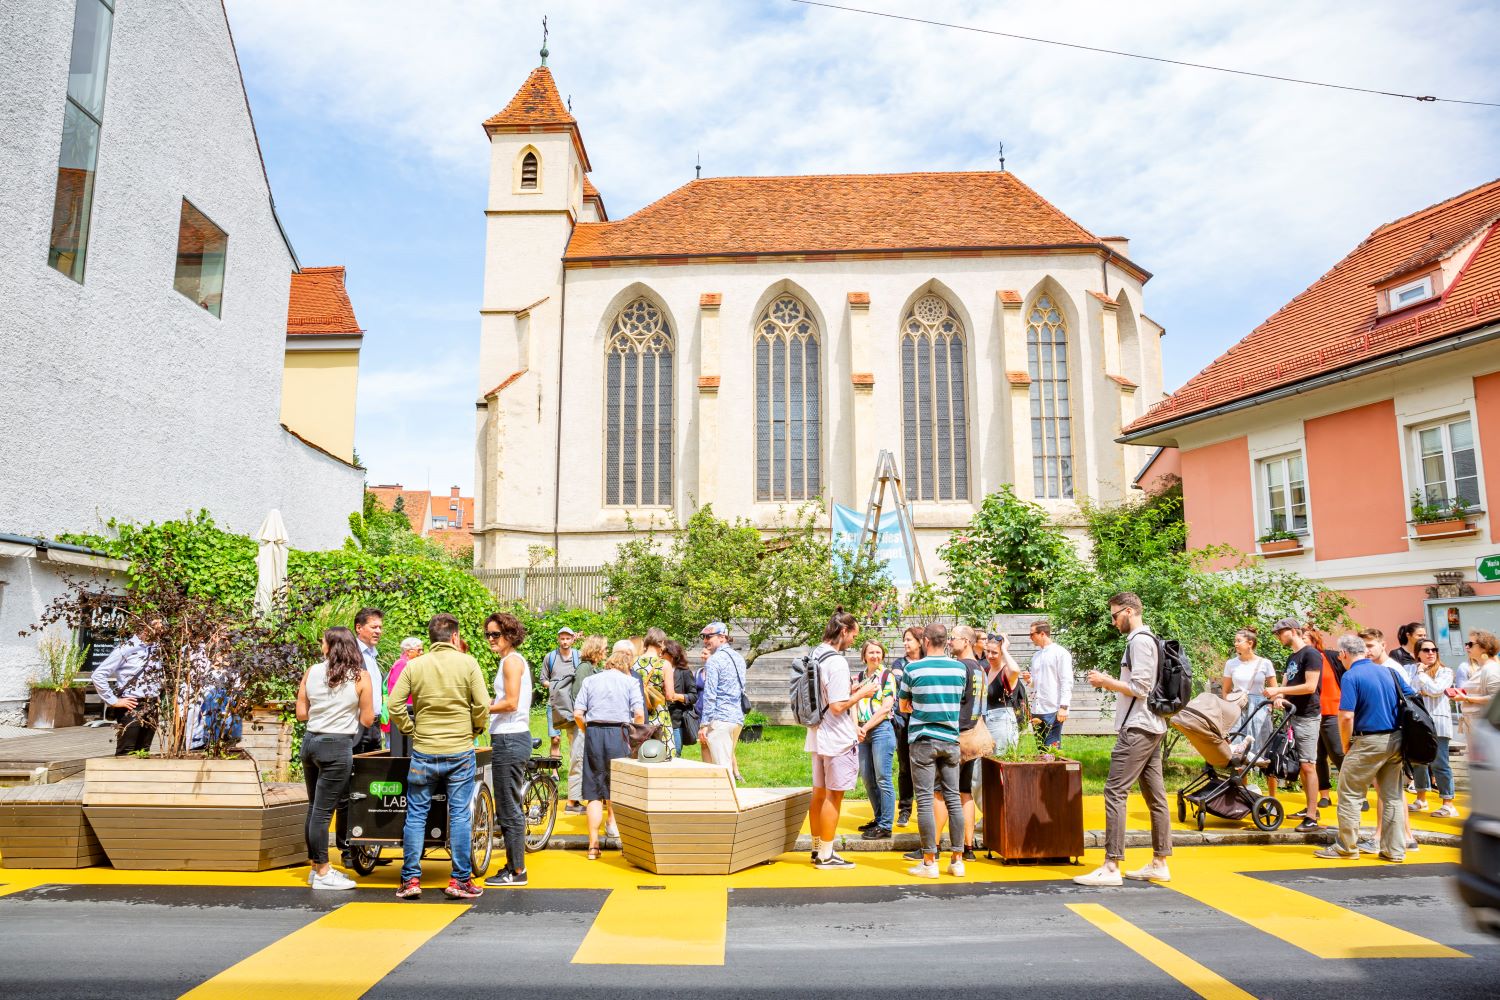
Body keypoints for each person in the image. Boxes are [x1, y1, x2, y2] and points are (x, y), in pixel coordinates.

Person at [388, 613, 490, 900]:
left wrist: (411, 729)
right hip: (459, 750)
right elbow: (481, 704)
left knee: (416, 814)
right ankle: (459, 880)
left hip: (424, 750)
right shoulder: (468, 663)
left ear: (430, 638)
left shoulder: (414, 665)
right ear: (455, 637)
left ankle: (410, 880)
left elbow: (395, 705)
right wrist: (475, 728)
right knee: (459, 815)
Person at [1075, 592, 1171, 888]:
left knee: (1114, 791)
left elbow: (1141, 687)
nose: (1113, 621)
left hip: (1138, 727)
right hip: (1152, 726)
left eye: (1115, 615)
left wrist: (1105, 681)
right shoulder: (1149, 639)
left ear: (1129, 611)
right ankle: (1159, 863)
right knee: (1156, 797)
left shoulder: (1140, 641)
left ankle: (1111, 864)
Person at [1314, 634, 1415, 862]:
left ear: (1344, 654)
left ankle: (1346, 846)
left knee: (1349, 793)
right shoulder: (1388, 672)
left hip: (1367, 740)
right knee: (1392, 796)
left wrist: (1346, 743)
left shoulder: (1352, 676)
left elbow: (1347, 715)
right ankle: (1394, 850)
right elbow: (1411, 697)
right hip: (1395, 739)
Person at [294, 626, 374, 891]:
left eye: (323, 642)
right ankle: (325, 872)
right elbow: (367, 719)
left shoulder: (312, 671)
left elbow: (302, 713)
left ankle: (315, 868)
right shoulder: (360, 676)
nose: (320, 646)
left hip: (311, 742)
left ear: (330, 647)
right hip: (337, 746)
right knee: (323, 811)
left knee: (314, 807)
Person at [804, 610, 875, 870]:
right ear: (843, 631)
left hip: (816, 733)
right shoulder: (837, 661)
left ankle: (815, 847)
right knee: (834, 796)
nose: (854, 641)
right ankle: (826, 854)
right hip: (836, 737)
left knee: (818, 793)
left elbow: (822, 694)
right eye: (853, 635)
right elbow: (836, 706)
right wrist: (862, 693)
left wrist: (850, 690)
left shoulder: (815, 654)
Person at [899, 623, 967, 879]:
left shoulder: (913, 668)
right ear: (946, 641)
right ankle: (957, 860)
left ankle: (929, 862)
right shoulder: (959, 668)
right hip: (951, 739)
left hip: (923, 739)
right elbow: (958, 699)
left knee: (926, 800)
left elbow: (904, 704)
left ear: (926, 641)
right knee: (953, 799)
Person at [574, 640, 645, 859]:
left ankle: (593, 846)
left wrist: (587, 731)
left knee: (594, 791)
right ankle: (625, 844)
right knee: (620, 788)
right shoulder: (630, 682)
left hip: (594, 732)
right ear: (626, 665)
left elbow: (578, 713)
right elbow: (639, 714)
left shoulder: (590, 680)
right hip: (620, 733)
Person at [483, 612, 532, 888]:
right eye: (488, 634)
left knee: (508, 807)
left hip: (510, 738)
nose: (491, 639)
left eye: (496, 634)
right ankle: (514, 865)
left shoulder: (511, 662)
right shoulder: (510, 661)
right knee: (507, 805)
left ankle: (517, 870)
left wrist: (480, 708)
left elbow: (511, 703)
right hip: (510, 737)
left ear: (510, 635)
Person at [1265, 618, 1324, 834]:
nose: (1278, 637)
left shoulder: (1311, 654)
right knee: (1299, 763)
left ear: (1293, 631)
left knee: (1308, 764)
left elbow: (1310, 687)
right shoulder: (1292, 657)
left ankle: (1312, 815)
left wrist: (1280, 692)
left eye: (1280, 632)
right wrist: (1279, 694)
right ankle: (1310, 809)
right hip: (1293, 714)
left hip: (1308, 715)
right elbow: (1286, 684)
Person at [1221, 628, 1275, 792]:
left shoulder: (1265, 663)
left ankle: (1272, 797)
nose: (1235, 644)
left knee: (1265, 750)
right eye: (1235, 640)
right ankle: (1243, 795)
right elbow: (1225, 690)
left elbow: (1274, 689)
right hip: (1238, 708)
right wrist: (1229, 708)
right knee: (1238, 751)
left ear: (1250, 643)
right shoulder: (1231, 664)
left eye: (1239, 641)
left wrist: (1270, 706)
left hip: (1259, 709)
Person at [1410, 638, 1457, 818]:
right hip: (1418, 724)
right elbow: (1410, 691)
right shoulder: (1410, 670)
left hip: (1438, 723)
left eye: (1433, 649)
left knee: (1440, 763)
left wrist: (1422, 677)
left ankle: (1448, 803)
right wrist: (1423, 687)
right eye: (1426, 650)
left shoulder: (1446, 671)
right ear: (1418, 654)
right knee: (1418, 762)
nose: (1431, 653)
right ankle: (1421, 798)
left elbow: (1436, 690)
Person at [93, 631, 161, 756]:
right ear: (144, 629)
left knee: (144, 750)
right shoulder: (126, 648)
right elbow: (98, 675)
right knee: (127, 750)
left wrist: (157, 693)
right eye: (157, 628)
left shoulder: (157, 648)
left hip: (152, 704)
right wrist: (114, 701)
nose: (160, 631)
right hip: (132, 704)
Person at [854, 640, 897, 841]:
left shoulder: (887, 676)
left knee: (883, 778)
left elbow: (886, 708)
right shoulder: (858, 678)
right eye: (871, 652)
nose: (875, 656)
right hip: (862, 731)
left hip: (881, 729)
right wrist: (857, 727)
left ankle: (886, 825)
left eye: (878, 652)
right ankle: (879, 818)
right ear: (864, 655)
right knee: (867, 778)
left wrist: (865, 727)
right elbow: (852, 704)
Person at [698, 621, 747, 780]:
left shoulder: (714, 660)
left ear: (722, 637)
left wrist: (705, 724)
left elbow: (710, 694)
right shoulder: (739, 658)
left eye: (708, 637)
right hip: (737, 719)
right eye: (703, 637)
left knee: (723, 771)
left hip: (720, 720)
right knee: (725, 765)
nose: (705, 640)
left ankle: (730, 805)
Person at [887, 625, 924, 827]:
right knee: (904, 766)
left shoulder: (928, 662)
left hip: (924, 721)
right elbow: (900, 688)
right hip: (904, 722)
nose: (905, 643)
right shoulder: (899, 663)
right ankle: (905, 809)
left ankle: (927, 809)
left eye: (909, 639)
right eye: (904, 639)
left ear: (920, 641)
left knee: (927, 766)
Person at [541, 628, 582, 810]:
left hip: (573, 705)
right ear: (558, 639)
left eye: (567, 638)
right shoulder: (550, 657)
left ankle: (576, 774)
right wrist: (556, 686)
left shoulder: (578, 656)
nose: (564, 641)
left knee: (575, 740)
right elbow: (544, 679)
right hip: (554, 703)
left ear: (573, 640)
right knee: (555, 738)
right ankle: (555, 772)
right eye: (562, 638)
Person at [631, 628, 677, 760]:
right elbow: (670, 695)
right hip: (658, 713)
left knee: (639, 751)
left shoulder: (634, 662)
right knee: (661, 752)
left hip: (638, 711)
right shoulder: (664, 664)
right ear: (661, 643)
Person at [1026, 621, 1072, 749]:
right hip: (1037, 709)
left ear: (1042, 634)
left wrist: (1064, 706)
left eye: (1032, 634)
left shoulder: (1061, 653)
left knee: (1051, 750)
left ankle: (1055, 769)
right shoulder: (1036, 656)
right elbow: (1037, 683)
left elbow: (1066, 681)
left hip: (1053, 709)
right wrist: (1030, 680)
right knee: (1041, 748)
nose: (1030, 638)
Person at [352, 608, 386, 754]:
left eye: (380, 627)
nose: (378, 631)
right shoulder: (351, 654)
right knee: (357, 771)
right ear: (359, 628)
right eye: (373, 627)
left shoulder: (372, 655)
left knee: (374, 771)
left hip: (375, 726)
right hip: (358, 725)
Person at [1452, 629, 1500, 732]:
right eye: (1466, 644)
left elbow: (1495, 698)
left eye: (1470, 644)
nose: (1467, 647)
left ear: (1484, 647)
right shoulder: (1482, 668)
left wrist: (1466, 698)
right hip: (1477, 727)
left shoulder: (1491, 669)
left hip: (1487, 729)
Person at [385, 637, 423, 758]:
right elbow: (396, 691)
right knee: (399, 751)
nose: (422, 653)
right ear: (408, 651)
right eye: (419, 650)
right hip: (402, 715)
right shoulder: (402, 664)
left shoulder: (409, 664)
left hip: (408, 714)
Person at [663, 639, 698, 753]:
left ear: (672, 654)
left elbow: (693, 696)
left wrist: (676, 696)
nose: (660, 654)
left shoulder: (684, 672)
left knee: (675, 752)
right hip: (659, 719)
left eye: (663, 652)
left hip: (676, 721)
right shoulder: (658, 669)